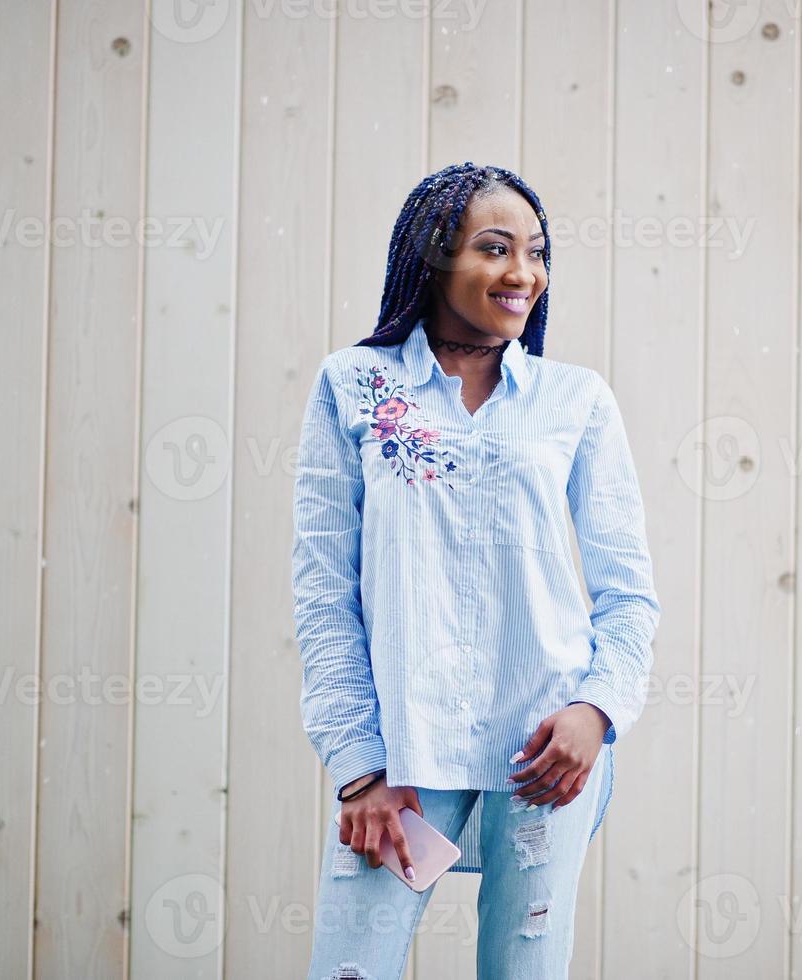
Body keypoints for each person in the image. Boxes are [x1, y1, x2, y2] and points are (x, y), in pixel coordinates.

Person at [293, 161, 660, 978]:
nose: (523, 272)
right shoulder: (353, 385)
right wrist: (359, 769)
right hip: (399, 758)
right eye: (495, 248)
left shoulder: (575, 400)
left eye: (536, 251)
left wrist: (594, 713)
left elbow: (628, 589)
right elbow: (323, 593)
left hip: (541, 752)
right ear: (433, 257)